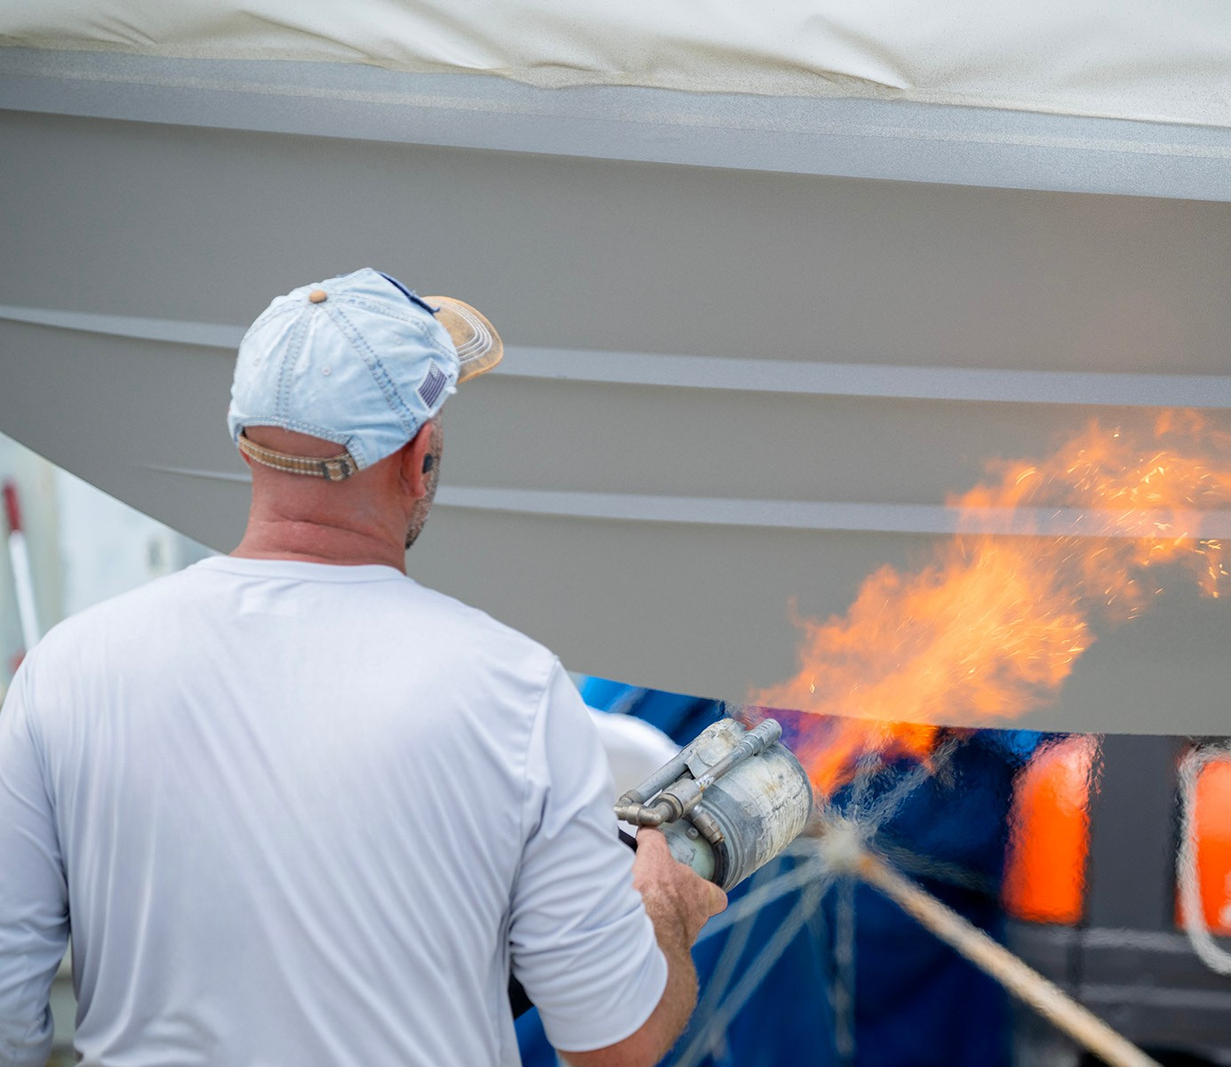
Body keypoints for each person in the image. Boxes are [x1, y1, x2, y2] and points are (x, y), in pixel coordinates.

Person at [0, 268, 725, 1067]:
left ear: (246, 444)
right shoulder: (511, 688)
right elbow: (614, 1044)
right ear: (418, 461)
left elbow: (7, 1012)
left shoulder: (65, 671)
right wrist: (662, 907)